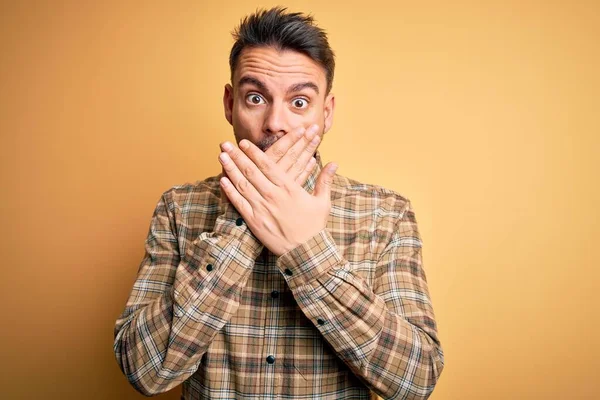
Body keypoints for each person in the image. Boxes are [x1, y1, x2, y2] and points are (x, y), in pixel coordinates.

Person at [113, 7, 444, 400]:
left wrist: (308, 253)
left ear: (327, 112)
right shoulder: (178, 208)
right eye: (255, 97)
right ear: (230, 103)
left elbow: (416, 380)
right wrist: (242, 224)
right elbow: (145, 371)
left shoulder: (385, 215)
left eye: (299, 102)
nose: (275, 123)